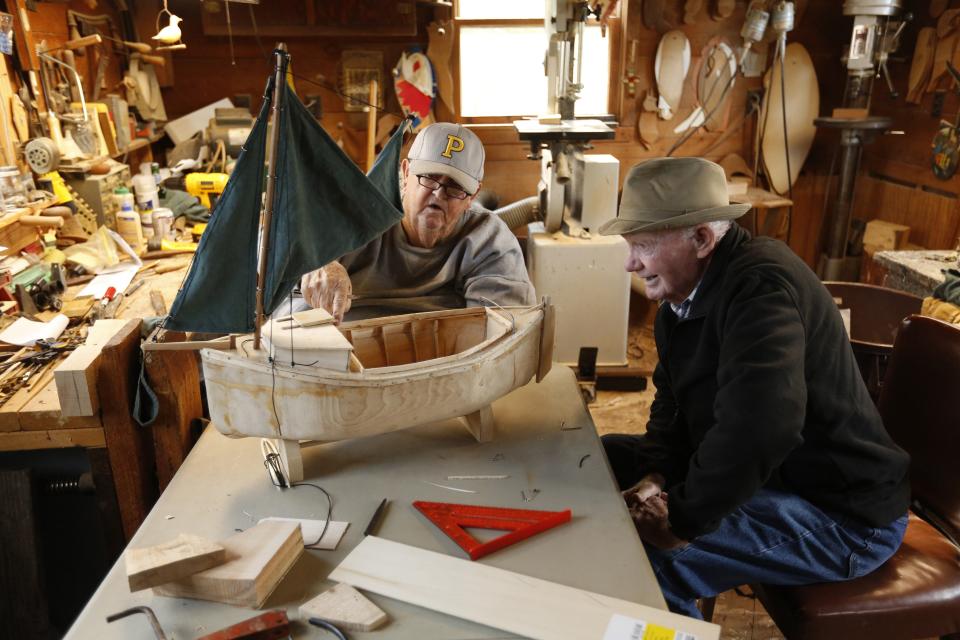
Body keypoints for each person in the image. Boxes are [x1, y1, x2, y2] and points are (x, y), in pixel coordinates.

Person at [597, 157, 910, 619]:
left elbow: (763, 427)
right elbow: (672, 402)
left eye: (642, 244)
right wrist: (655, 474)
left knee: (652, 560)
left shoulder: (761, 288)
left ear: (702, 239)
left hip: (845, 517)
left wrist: (681, 522)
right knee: (605, 461)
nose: (631, 262)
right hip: (782, 480)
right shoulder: (682, 303)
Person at [298, 122, 536, 321]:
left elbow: (502, 329)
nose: (438, 194)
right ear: (405, 173)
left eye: (455, 187)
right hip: (343, 349)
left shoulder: (489, 240)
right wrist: (319, 262)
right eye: (429, 178)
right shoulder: (361, 212)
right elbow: (274, 241)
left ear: (473, 196)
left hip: (441, 358)